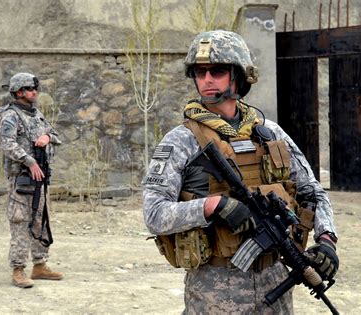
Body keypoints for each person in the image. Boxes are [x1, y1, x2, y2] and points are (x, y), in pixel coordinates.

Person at [142, 30, 339, 314]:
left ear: (239, 75)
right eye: (200, 72)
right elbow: (154, 214)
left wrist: (327, 239)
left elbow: (312, 190)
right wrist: (212, 205)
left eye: (217, 70)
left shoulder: (270, 132)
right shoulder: (180, 141)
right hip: (215, 290)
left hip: (275, 281)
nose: (207, 79)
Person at [0, 72, 63, 288]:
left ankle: (40, 265)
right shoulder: (10, 116)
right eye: (29, 88)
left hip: (39, 178)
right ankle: (18, 269)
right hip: (21, 179)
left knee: (40, 220)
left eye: (35, 88)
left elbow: (55, 135)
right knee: (19, 221)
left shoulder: (37, 114)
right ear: (18, 92)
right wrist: (29, 162)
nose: (34, 92)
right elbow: (7, 144)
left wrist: (47, 137)